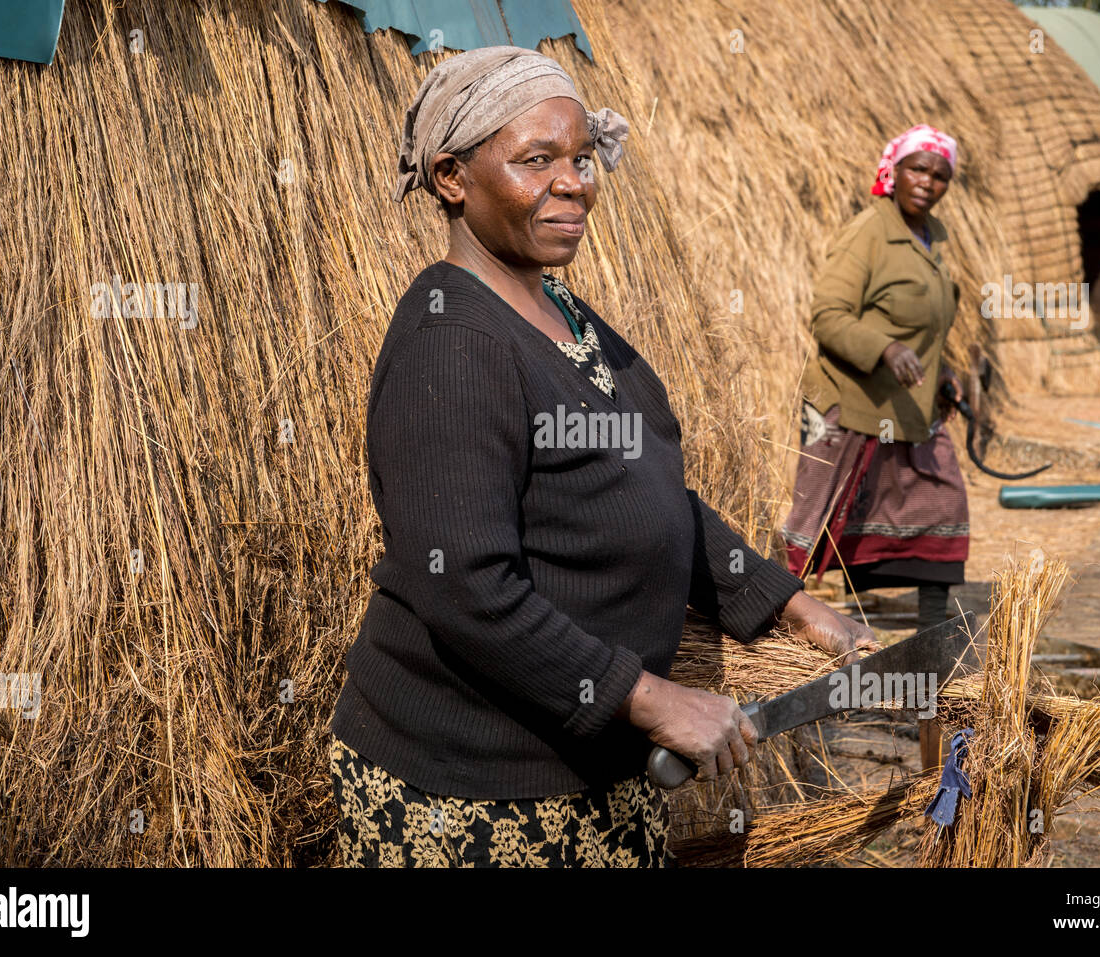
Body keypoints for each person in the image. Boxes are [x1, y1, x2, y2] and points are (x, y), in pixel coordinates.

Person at [327, 46, 878, 868]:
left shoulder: (563, 314)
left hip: (596, 774)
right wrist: (650, 699)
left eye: (582, 156)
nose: (575, 180)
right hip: (478, 793)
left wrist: (786, 604)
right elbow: (465, 586)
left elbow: (647, 485)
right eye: (536, 159)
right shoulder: (452, 343)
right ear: (451, 177)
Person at [782, 124, 969, 636]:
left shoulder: (932, 240)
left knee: (941, 503)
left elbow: (926, 327)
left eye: (940, 174)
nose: (928, 182)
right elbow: (828, 315)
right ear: (894, 170)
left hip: (909, 405)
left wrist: (944, 372)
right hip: (851, 402)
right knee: (815, 519)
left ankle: (933, 637)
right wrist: (884, 349)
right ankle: (777, 628)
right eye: (918, 169)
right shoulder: (869, 231)